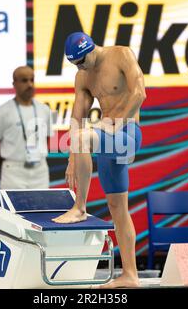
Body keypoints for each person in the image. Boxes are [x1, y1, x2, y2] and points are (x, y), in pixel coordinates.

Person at [52, 32, 146, 288]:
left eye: (83, 61)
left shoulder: (121, 55)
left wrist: (117, 124)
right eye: (75, 64)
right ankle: (130, 276)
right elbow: (78, 115)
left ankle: (79, 208)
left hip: (127, 133)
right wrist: (73, 155)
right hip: (108, 137)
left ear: (91, 48)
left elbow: (139, 93)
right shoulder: (83, 76)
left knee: (83, 139)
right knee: (118, 208)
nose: (81, 67)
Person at [0, 66, 54, 189]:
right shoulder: (2, 111)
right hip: (13, 172)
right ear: (14, 84)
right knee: (11, 208)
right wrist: (9, 162)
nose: (29, 84)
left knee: (41, 208)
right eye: (24, 80)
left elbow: (47, 139)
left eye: (32, 80)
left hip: (40, 171)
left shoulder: (45, 110)